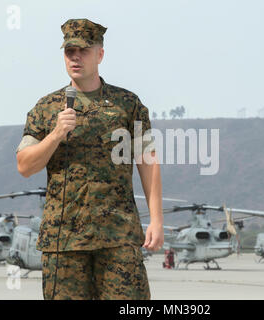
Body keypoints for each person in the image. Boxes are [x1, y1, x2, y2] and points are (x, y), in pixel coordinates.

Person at [16, 18, 163, 300]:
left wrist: (156, 220)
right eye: (69, 51)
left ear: (100, 54)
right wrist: (56, 133)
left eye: (83, 50)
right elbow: (25, 165)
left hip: (117, 236)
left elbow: (148, 161)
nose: (76, 57)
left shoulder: (128, 104)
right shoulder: (46, 109)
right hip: (64, 240)